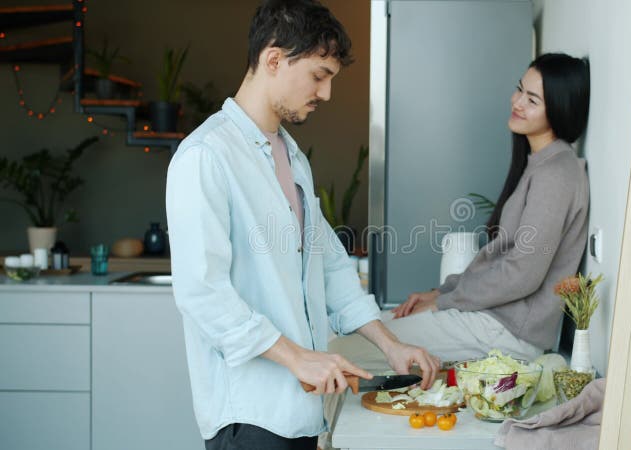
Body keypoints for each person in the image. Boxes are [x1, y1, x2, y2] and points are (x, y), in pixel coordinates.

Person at [166, 2, 439, 449]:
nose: (326, 93)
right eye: (319, 75)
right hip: (250, 416)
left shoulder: (291, 157)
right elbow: (202, 292)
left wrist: (391, 345)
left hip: (303, 410)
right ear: (274, 59)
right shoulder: (206, 156)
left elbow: (329, 263)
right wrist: (298, 359)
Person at [327, 52, 590, 384]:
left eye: (532, 99)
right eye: (520, 89)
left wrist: (444, 302)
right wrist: (440, 293)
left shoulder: (557, 173)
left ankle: (328, 438)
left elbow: (521, 274)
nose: (517, 102)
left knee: (339, 348)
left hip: (509, 333)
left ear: (560, 108)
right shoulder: (539, 164)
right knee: (370, 328)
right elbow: (501, 264)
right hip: (491, 321)